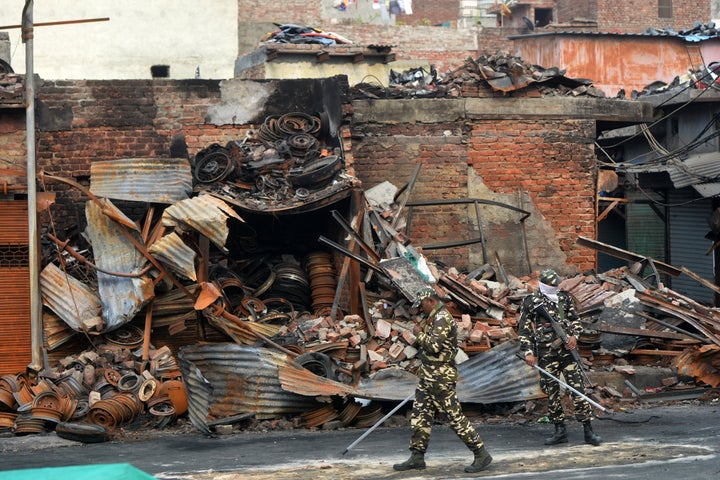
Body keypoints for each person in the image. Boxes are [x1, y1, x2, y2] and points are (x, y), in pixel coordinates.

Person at [393, 287, 492, 473]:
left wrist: (418, 333)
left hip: (440, 377)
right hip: (428, 376)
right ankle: (416, 456)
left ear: (430, 301)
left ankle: (481, 453)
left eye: (422, 304)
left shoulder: (442, 319)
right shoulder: (432, 318)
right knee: (420, 416)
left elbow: (434, 346)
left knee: (454, 417)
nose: (420, 309)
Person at [518, 269, 601, 446]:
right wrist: (528, 352)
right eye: (552, 285)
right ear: (544, 284)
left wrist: (574, 337)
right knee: (552, 392)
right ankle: (559, 431)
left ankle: (588, 430)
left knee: (578, 390)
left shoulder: (564, 298)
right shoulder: (531, 301)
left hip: (567, 352)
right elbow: (524, 330)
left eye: (557, 284)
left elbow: (576, 321)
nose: (556, 287)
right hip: (547, 353)